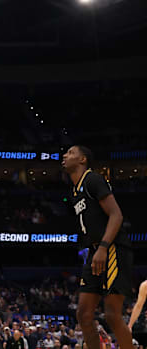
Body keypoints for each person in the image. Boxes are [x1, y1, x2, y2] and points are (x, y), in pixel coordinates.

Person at [62, 146, 134, 349]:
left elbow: (116, 215)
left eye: (70, 152)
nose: (65, 156)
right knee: (83, 314)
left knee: (112, 314)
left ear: (83, 159)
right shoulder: (75, 190)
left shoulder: (92, 179)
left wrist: (103, 247)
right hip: (95, 251)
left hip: (112, 248)